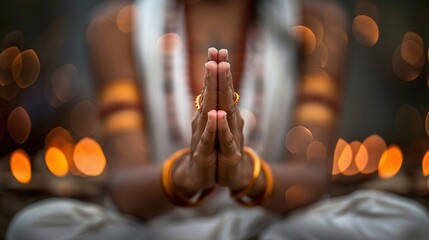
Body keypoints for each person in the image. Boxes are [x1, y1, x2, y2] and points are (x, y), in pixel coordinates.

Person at [7, 0, 429, 239]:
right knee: (34, 228)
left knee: (408, 223)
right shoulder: (117, 26)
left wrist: (246, 173)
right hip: (158, 230)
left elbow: (311, 177)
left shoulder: (317, 22)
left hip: (271, 226)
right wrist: (187, 173)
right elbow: (126, 188)